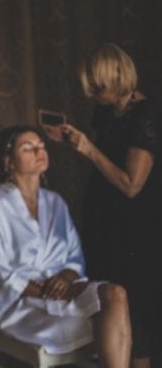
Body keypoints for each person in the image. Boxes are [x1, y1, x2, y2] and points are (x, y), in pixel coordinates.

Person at [0, 125, 132, 368]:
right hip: (21, 305)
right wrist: (49, 293)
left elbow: (75, 258)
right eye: (28, 148)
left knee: (116, 294)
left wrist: (67, 279)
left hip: (63, 291)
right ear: (8, 162)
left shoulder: (55, 202)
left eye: (41, 146)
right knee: (107, 321)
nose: (39, 152)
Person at [58, 43, 162, 368]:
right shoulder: (105, 112)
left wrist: (88, 149)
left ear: (117, 77)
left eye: (98, 87)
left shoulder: (146, 116)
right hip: (105, 224)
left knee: (139, 310)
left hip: (136, 226)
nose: (93, 94)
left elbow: (131, 185)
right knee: (110, 301)